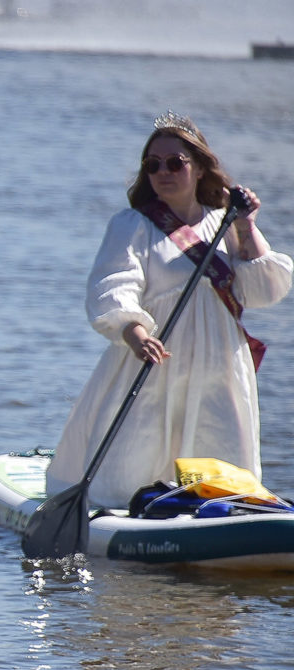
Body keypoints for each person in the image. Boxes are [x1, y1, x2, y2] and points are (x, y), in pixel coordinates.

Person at [45, 111, 292, 508]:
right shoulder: (132, 225)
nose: (163, 171)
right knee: (136, 452)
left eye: (175, 163)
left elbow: (264, 289)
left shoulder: (226, 223)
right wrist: (134, 332)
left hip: (219, 363)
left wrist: (246, 226)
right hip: (154, 356)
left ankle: (224, 514)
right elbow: (114, 284)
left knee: (220, 443)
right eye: (153, 164)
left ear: (198, 169)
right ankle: (121, 514)